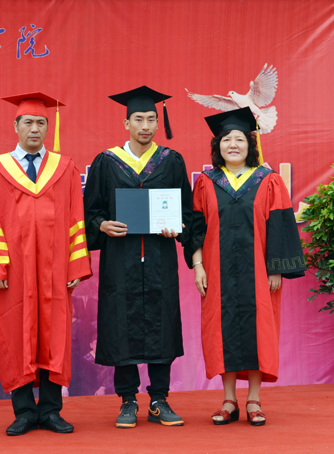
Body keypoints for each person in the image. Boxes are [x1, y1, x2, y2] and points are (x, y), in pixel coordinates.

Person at [0, 92, 92, 436]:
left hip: (54, 270)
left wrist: (75, 265)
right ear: (16, 126)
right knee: (15, 334)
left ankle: (51, 411)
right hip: (12, 272)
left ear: (47, 127)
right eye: (28, 122)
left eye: (41, 122)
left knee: (54, 335)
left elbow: (76, 217)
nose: (35, 128)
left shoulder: (64, 169)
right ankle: (24, 412)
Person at [188, 107, 306, 426]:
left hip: (259, 272)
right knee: (221, 329)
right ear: (218, 145)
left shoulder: (268, 180)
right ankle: (229, 399)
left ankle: (254, 399)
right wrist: (198, 265)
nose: (233, 144)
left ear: (250, 144)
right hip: (216, 271)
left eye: (239, 139)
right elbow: (197, 227)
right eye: (226, 139)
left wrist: (276, 268)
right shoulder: (206, 183)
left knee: (259, 331)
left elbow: (280, 226)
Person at [84, 86, 193, 428]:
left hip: (160, 258)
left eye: (150, 119)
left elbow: (187, 211)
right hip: (121, 260)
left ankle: (159, 399)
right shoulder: (107, 162)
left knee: (162, 323)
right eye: (138, 119)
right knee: (121, 324)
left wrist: (178, 226)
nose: (145, 126)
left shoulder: (171, 161)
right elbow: (91, 211)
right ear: (126, 123)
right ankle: (127, 400)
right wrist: (102, 225)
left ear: (158, 123)